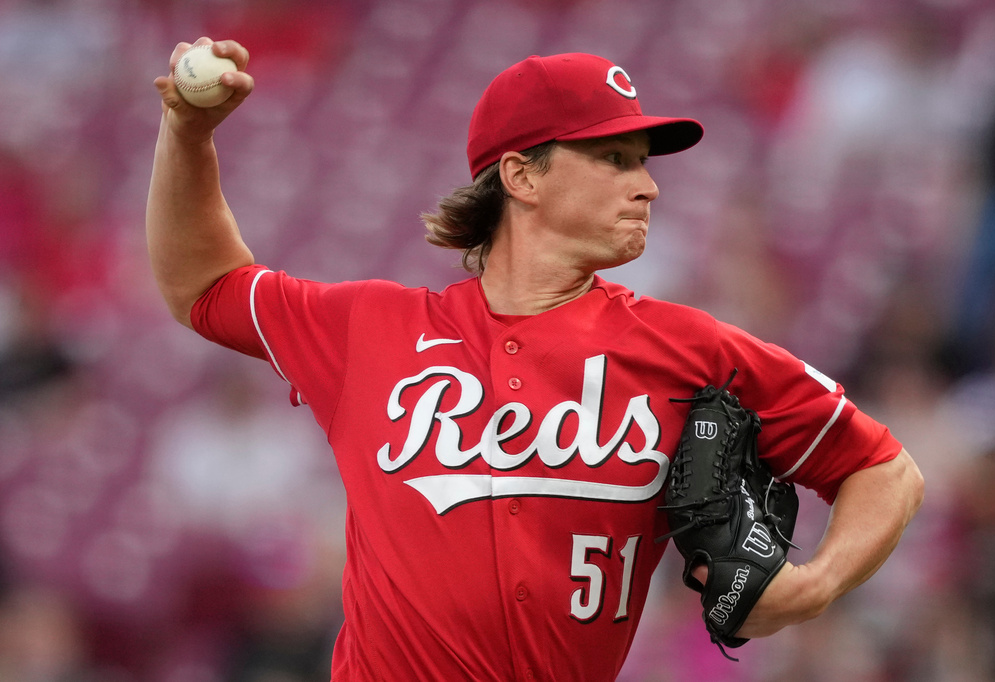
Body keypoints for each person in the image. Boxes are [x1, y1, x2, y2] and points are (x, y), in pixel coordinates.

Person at [147, 38, 924, 682]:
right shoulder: (371, 329)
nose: (649, 186)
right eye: (615, 159)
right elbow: (204, 286)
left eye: (644, 162)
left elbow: (885, 470)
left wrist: (815, 585)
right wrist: (187, 134)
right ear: (522, 175)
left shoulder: (690, 351)